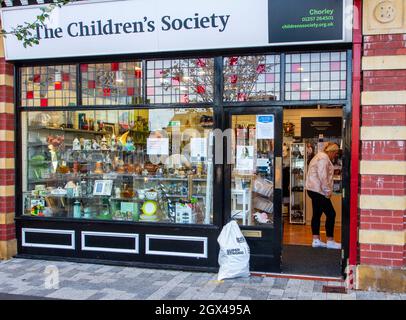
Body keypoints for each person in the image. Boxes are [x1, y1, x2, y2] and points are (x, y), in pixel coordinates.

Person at [305, 142, 341, 249]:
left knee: (317, 214)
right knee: (331, 214)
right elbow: (323, 176)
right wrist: (327, 191)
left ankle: (316, 240)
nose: (336, 156)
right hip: (318, 190)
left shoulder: (318, 156)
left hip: (313, 189)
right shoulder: (324, 158)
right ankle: (330, 241)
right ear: (332, 151)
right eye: (336, 153)